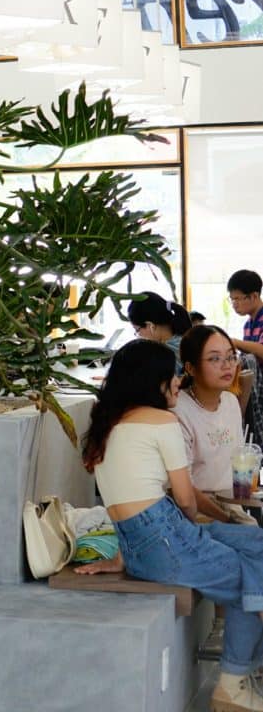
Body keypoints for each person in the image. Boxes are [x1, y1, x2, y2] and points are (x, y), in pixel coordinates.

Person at [77, 339, 263, 711]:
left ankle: (247, 670)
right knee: (252, 580)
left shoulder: (108, 423)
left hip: (144, 543)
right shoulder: (162, 421)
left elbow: (125, 500)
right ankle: (232, 685)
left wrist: (123, 556)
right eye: (172, 375)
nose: (178, 381)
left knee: (255, 541)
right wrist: (195, 532)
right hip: (169, 540)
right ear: (152, 380)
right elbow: (185, 499)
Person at [175, 325, 256, 526]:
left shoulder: (230, 402)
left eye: (231, 357)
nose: (227, 365)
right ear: (190, 368)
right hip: (195, 510)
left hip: (230, 503)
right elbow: (181, 490)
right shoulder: (178, 410)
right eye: (214, 359)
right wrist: (228, 520)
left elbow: (237, 462)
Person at [227, 270, 263, 443]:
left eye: (237, 299)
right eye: (231, 299)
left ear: (254, 296)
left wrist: (235, 342)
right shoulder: (248, 324)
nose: (234, 304)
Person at [127, 291, 192, 368]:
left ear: (150, 326)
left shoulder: (164, 356)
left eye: (137, 330)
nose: (138, 335)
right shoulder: (184, 341)